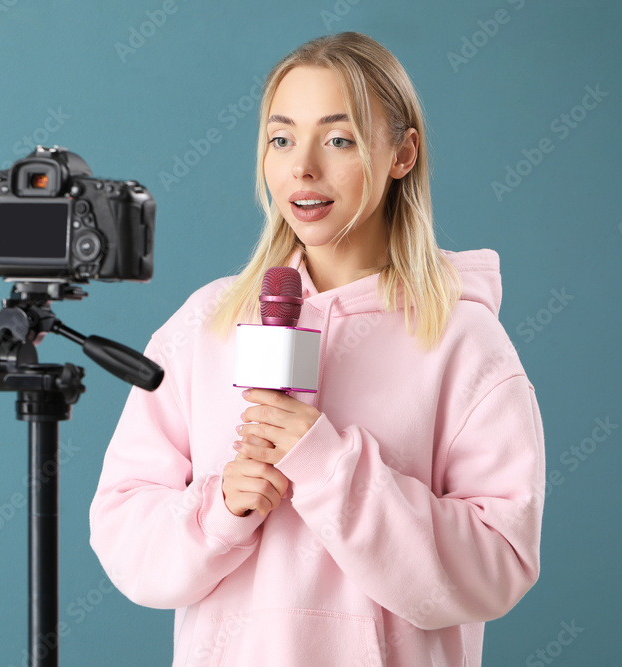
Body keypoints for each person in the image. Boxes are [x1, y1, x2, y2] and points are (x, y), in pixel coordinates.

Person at [90, 31, 544, 667]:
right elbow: (123, 531)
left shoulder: (464, 342)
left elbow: (498, 565)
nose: (302, 167)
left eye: (339, 138)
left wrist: (332, 469)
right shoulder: (207, 323)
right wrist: (220, 510)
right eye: (281, 138)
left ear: (403, 153)